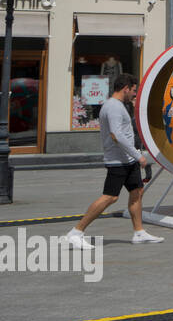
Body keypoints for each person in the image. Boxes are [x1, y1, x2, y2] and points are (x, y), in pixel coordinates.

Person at [66, 75, 163, 249]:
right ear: (126, 88)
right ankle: (76, 231)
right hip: (118, 160)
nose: (134, 94)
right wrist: (138, 156)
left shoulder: (117, 106)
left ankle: (139, 232)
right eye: (134, 91)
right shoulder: (113, 107)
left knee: (137, 191)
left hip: (127, 160)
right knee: (110, 197)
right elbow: (116, 135)